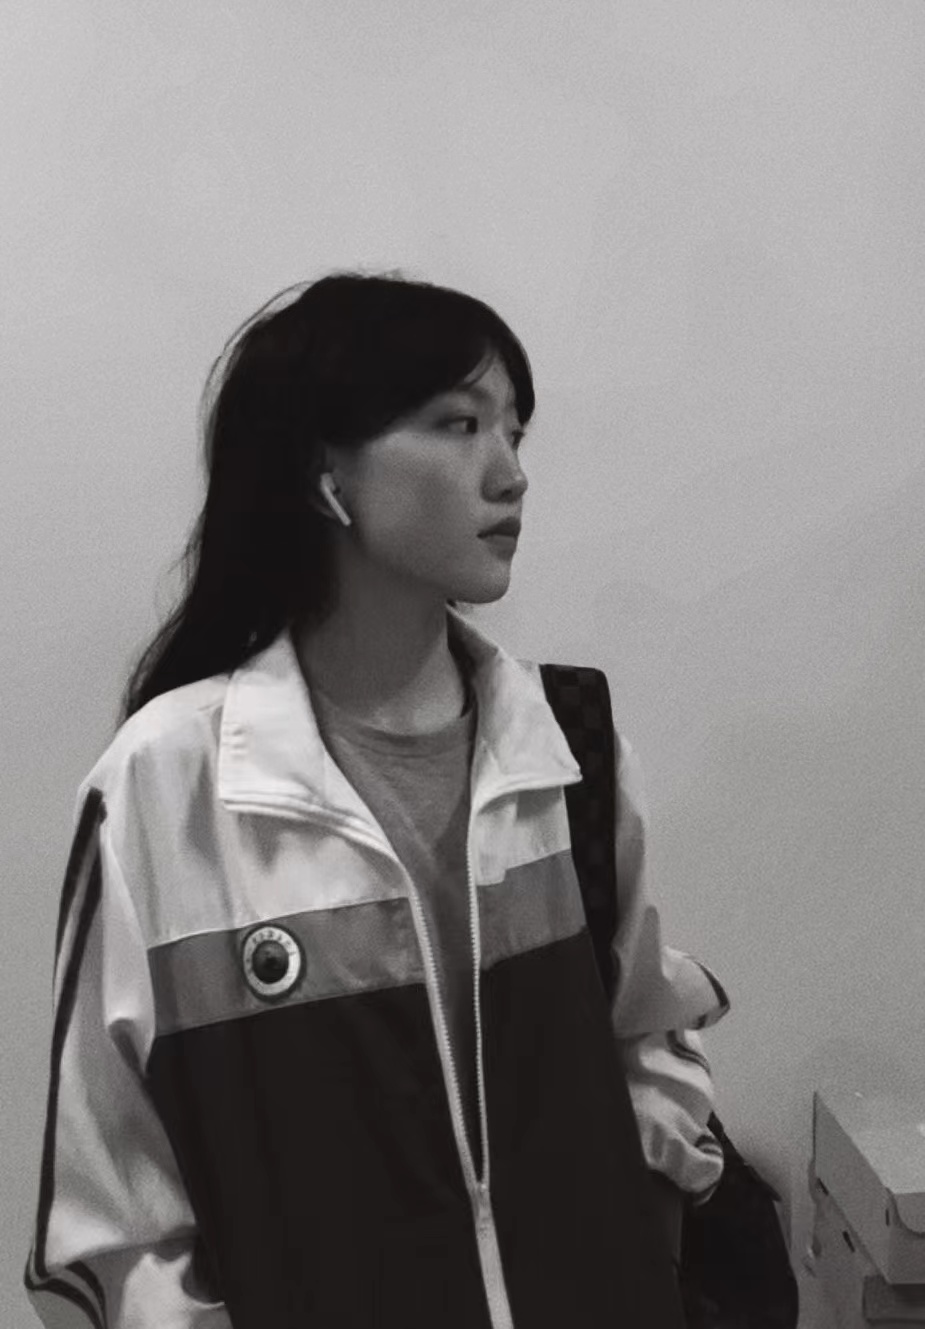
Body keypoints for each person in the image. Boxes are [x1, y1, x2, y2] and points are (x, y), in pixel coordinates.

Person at [24, 270, 731, 1328]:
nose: (511, 474)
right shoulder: (165, 787)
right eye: (459, 423)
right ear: (325, 474)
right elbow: (115, 1220)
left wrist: (645, 1240)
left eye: (514, 431)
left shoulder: (567, 742)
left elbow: (645, 1033)